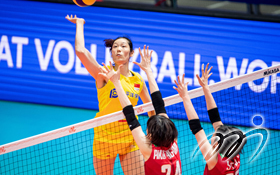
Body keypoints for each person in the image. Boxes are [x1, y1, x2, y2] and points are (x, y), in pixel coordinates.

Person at [66, 15, 155, 175]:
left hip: (130, 136)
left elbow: (151, 110)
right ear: (111, 52)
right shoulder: (104, 74)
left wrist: (154, 131)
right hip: (104, 139)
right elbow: (80, 51)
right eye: (115, 47)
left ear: (131, 52)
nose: (118, 49)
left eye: (123, 46)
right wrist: (80, 23)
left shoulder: (138, 80)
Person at [99, 46, 182, 175]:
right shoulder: (174, 143)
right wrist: (148, 70)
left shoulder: (148, 149)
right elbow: (159, 105)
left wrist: (116, 82)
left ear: (150, 135)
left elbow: (130, 114)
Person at [173, 63, 247, 175]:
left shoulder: (214, 161)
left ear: (218, 144)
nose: (213, 133)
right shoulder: (234, 154)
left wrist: (185, 97)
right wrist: (205, 87)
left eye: (215, 134)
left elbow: (196, 128)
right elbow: (215, 118)